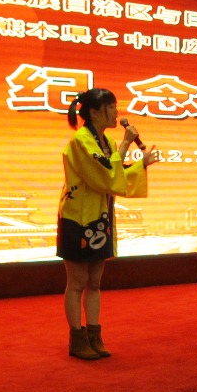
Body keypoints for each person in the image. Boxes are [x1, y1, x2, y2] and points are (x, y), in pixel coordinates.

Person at [57, 88, 159, 359]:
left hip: (100, 218)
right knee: (77, 281)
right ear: (94, 112)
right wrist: (126, 143)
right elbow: (104, 174)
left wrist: (142, 164)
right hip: (77, 218)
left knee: (94, 281)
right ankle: (77, 338)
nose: (116, 113)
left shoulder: (108, 142)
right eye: (111, 107)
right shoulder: (81, 140)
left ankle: (94, 335)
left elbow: (116, 173)